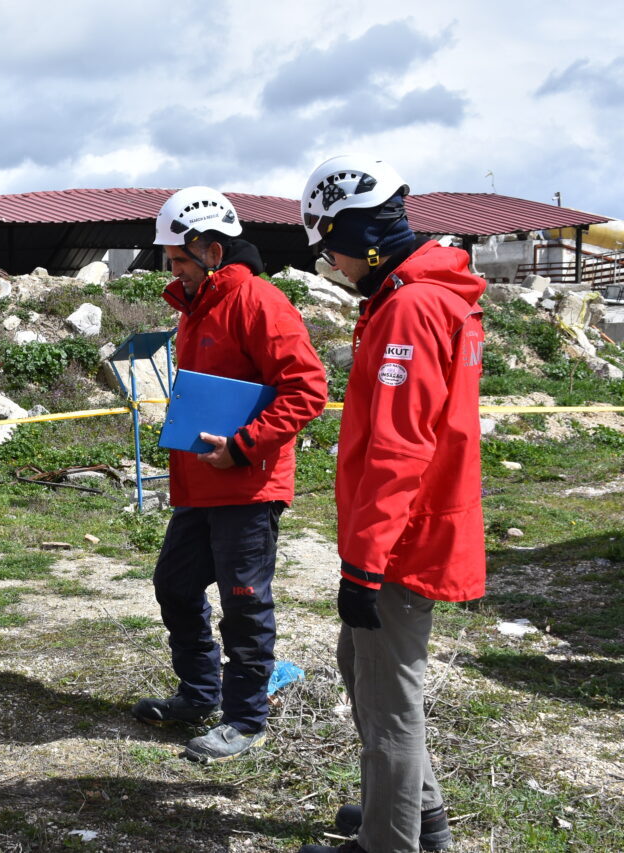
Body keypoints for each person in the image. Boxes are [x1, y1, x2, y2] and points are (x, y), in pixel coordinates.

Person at [296, 155, 486, 853]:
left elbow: (399, 447)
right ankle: (417, 814)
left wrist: (364, 564)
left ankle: (390, 841)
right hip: (417, 526)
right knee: (360, 667)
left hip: (403, 540)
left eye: (332, 251)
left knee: (388, 710)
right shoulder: (427, 294)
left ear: (360, 237)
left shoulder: (409, 307)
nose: (335, 267)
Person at [133, 186, 328, 762]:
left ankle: (245, 720)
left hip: (247, 484)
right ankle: (200, 694)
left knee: (244, 602)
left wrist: (243, 447)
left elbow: (307, 389)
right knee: (175, 585)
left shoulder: (259, 301)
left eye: (179, 259)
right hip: (201, 484)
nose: (173, 270)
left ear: (212, 251)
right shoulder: (197, 306)